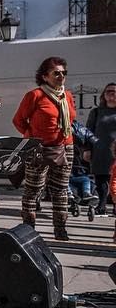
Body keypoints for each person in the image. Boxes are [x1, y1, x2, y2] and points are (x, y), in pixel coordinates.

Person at [14, 56, 79, 242]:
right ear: (45, 76)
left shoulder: (67, 95)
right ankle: (28, 227)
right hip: (39, 148)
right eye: (56, 73)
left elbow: (71, 119)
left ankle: (60, 229)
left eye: (63, 73)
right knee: (34, 189)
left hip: (65, 146)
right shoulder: (35, 95)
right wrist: (32, 137)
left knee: (60, 189)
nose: (61, 76)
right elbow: (18, 120)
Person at [85, 82, 116, 216]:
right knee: (101, 179)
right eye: (108, 91)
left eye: (114, 91)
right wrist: (87, 149)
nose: (111, 94)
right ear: (104, 95)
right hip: (99, 151)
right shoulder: (96, 112)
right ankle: (101, 206)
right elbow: (88, 131)